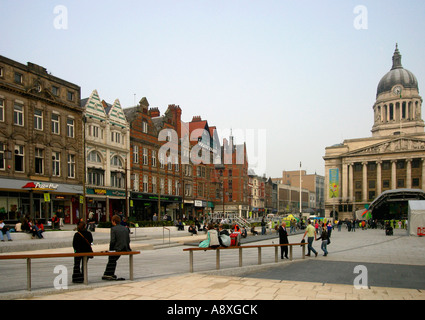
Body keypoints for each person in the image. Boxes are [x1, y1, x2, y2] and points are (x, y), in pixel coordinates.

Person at [102, 215, 131, 281]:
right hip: (125, 247)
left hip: (117, 248)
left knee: (111, 258)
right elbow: (128, 240)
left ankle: (108, 273)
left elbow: (113, 241)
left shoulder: (113, 229)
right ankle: (109, 273)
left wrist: (110, 249)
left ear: (113, 221)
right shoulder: (125, 228)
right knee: (113, 259)